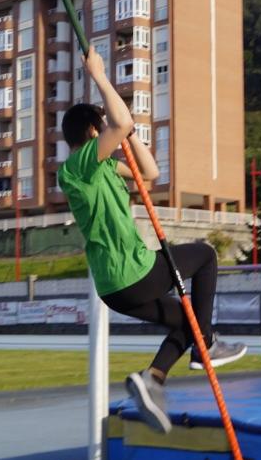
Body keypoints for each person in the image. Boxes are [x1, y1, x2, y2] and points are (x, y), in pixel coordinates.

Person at [58, 48, 245, 434]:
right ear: (93, 132)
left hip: (118, 285)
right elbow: (121, 120)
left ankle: (154, 378)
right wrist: (99, 76)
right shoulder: (78, 167)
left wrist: (129, 135)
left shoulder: (104, 164)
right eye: (102, 126)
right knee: (206, 256)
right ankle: (206, 343)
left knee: (188, 322)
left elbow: (151, 171)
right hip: (131, 272)